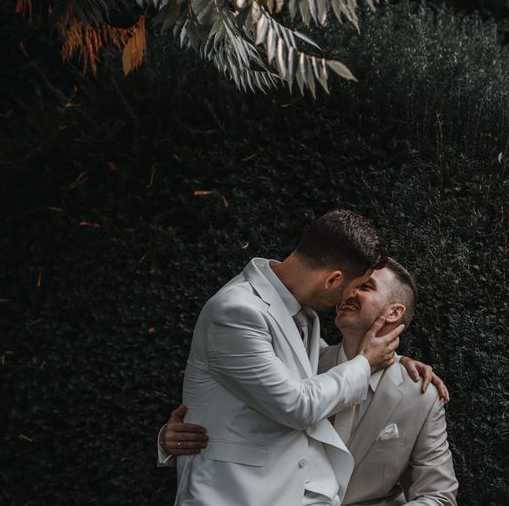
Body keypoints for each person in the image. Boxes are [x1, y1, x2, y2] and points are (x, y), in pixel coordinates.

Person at [162, 256, 458, 506]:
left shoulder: (420, 393)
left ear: (394, 312)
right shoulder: (298, 362)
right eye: (351, 283)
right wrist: (169, 439)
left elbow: (439, 495)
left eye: (364, 286)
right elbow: (228, 417)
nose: (348, 293)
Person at [170, 209, 403, 506]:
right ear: (332, 280)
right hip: (232, 495)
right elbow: (297, 405)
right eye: (356, 285)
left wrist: (397, 363)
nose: (350, 296)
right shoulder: (235, 313)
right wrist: (366, 363)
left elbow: (327, 362)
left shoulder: (301, 310)